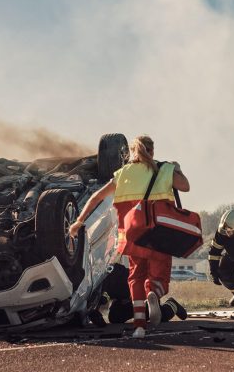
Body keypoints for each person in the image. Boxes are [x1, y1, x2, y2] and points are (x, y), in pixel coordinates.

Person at [69, 135, 190, 339]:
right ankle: (154, 292)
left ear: (132, 153)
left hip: (132, 234)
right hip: (160, 233)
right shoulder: (164, 169)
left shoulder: (122, 173)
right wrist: (176, 169)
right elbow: (185, 186)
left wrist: (79, 221)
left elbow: (96, 197)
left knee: (135, 277)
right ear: (152, 151)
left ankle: (140, 327)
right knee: (158, 275)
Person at [87, 263, 188, 327]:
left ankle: (172, 305)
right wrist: (96, 316)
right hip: (125, 298)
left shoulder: (110, 275)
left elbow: (103, 298)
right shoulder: (99, 282)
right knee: (115, 318)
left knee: (157, 317)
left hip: (143, 295)